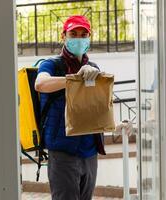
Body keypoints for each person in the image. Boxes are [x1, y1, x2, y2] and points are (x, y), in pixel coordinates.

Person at [34, 15, 132, 200]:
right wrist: (74, 80)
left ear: (89, 37)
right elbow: (40, 84)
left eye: (83, 34)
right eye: (73, 34)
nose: (79, 38)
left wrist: (116, 125)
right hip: (63, 150)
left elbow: (96, 108)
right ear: (63, 36)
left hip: (89, 150)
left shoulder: (93, 68)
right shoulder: (51, 65)